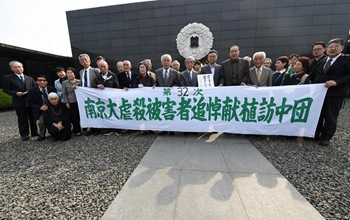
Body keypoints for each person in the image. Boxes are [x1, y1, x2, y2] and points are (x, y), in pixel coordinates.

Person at [312, 38, 350, 146]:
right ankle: (317, 133)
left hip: (335, 93)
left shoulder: (346, 60)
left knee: (330, 115)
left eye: (336, 46)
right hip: (320, 93)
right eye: (330, 47)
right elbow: (315, 75)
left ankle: (326, 137)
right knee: (318, 113)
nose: (333, 49)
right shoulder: (323, 60)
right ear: (327, 49)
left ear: (342, 48)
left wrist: (336, 82)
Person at [3, 61, 37, 141]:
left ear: (23, 67)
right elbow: (6, 89)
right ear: (11, 68)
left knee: (33, 117)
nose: (18, 69)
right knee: (22, 118)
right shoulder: (8, 78)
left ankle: (34, 132)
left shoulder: (29, 78)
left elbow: (34, 88)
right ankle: (24, 134)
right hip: (19, 101)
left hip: (30, 101)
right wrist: (16, 93)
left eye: (20, 67)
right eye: (16, 67)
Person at [93, 60, 121, 136]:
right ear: (98, 68)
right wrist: (97, 86)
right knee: (107, 114)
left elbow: (117, 87)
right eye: (100, 67)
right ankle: (108, 129)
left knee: (115, 113)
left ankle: (117, 129)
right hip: (103, 100)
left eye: (104, 66)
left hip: (113, 99)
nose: (102, 68)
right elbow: (93, 88)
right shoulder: (97, 77)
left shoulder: (113, 75)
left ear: (107, 66)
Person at [27, 74, 57, 141]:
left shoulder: (52, 89)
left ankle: (54, 133)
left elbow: (56, 99)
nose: (42, 82)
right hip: (41, 110)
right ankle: (41, 135)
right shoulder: (32, 91)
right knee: (41, 122)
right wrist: (40, 107)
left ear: (47, 82)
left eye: (44, 80)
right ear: (36, 82)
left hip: (52, 109)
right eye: (39, 80)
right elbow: (30, 102)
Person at [155, 54, 178, 135]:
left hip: (171, 98)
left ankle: (171, 129)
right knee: (163, 113)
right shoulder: (157, 72)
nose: (166, 62)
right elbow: (156, 83)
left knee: (171, 113)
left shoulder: (175, 72)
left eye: (168, 61)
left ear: (170, 62)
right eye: (164, 61)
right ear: (161, 62)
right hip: (161, 97)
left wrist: (173, 88)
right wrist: (154, 86)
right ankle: (163, 129)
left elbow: (177, 84)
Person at [78, 53, 99, 135]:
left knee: (96, 110)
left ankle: (97, 128)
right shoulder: (80, 72)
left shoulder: (95, 70)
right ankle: (91, 127)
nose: (84, 62)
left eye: (86, 60)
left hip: (93, 94)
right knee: (89, 111)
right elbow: (81, 83)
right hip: (84, 95)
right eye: (82, 61)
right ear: (80, 63)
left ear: (89, 61)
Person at [61, 67, 82, 136]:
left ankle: (84, 128)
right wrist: (66, 102)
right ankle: (77, 130)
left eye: (71, 73)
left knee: (80, 115)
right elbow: (64, 93)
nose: (69, 74)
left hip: (80, 101)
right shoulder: (64, 83)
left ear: (74, 74)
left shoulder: (79, 82)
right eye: (67, 73)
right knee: (74, 116)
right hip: (71, 101)